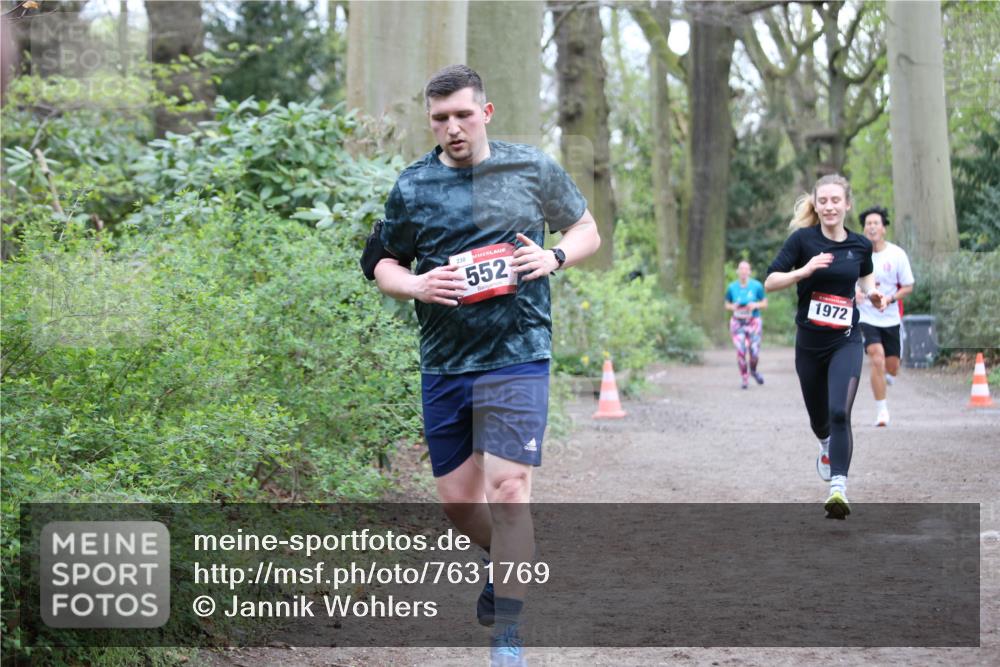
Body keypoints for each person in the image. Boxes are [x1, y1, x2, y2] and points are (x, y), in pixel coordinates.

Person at [372, 65, 601, 666]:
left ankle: (507, 634)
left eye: (463, 115)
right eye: (440, 118)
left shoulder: (531, 168)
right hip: (446, 362)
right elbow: (380, 262)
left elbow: (586, 229)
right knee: (458, 504)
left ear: (487, 112)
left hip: (518, 353)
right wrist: (416, 285)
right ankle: (508, 557)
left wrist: (553, 257)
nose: (452, 128)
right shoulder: (413, 186)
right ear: (431, 122)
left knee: (509, 488)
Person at [764, 174, 888, 519]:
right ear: (816, 206)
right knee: (820, 420)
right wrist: (803, 271)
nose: (829, 206)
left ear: (847, 204)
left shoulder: (861, 246)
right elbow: (771, 281)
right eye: (823, 201)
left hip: (846, 340)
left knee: (839, 412)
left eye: (836, 200)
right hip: (809, 343)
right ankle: (824, 446)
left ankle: (838, 488)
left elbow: (864, 278)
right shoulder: (802, 240)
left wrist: (873, 294)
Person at [855, 206, 915, 427]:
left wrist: (889, 299)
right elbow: (847, 282)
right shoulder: (858, 255)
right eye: (868, 223)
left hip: (890, 316)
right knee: (876, 358)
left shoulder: (896, 254)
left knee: (892, 367)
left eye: (876, 223)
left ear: (883, 229)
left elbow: (908, 286)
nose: (872, 227)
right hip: (867, 317)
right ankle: (882, 411)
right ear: (864, 229)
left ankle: (889, 373)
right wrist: (856, 294)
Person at [725, 260, 768, 389]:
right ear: (737, 271)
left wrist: (755, 305)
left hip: (753, 321)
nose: (743, 271)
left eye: (746, 269)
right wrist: (733, 306)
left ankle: (753, 371)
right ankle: (744, 377)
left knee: (754, 352)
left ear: (749, 271)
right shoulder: (732, 287)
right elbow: (726, 304)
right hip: (737, 323)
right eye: (741, 269)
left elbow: (764, 303)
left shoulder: (757, 286)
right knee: (741, 351)